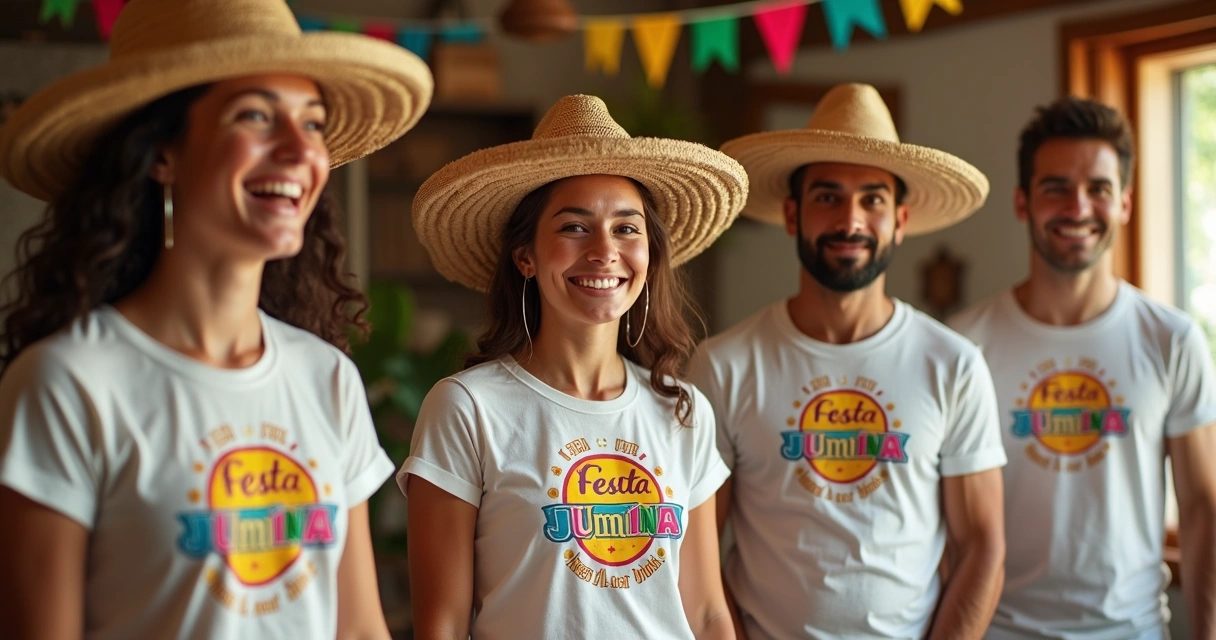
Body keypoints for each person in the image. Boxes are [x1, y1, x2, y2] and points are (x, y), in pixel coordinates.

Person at [0, 0, 433, 638]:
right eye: (256, 115)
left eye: (312, 124)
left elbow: (360, 630)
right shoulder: (69, 383)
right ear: (161, 154)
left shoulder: (327, 379)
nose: (298, 149)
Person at [397, 93, 749, 639]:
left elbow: (705, 613)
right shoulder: (468, 407)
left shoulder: (683, 410)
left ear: (649, 254)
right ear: (526, 258)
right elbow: (440, 626)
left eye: (627, 228)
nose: (605, 250)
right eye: (574, 227)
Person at [689, 82, 1007, 639]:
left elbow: (982, 547)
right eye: (827, 196)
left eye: (873, 200)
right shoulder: (724, 365)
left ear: (900, 220)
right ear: (792, 214)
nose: (850, 220)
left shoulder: (953, 365)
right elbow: (697, 557)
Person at [947, 96, 1216, 639]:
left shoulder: (1171, 339)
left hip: (1132, 629)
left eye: (1098, 188)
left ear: (1125, 204)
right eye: (1055, 188)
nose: (1078, 207)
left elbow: (1203, 509)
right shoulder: (961, 345)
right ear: (1023, 202)